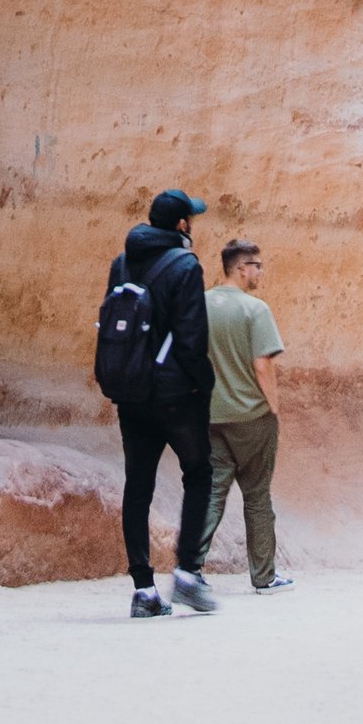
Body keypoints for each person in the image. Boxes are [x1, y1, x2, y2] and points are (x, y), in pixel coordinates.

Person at [98, 188, 221, 616]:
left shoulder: (123, 262)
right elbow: (191, 338)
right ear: (183, 225)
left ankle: (143, 591)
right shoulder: (185, 265)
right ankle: (187, 573)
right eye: (193, 219)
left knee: (138, 484)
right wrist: (205, 385)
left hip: (130, 391)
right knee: (200, 472)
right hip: (173, 395)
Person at [204, 239, 294, 595]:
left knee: (211, 494)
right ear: (241, 268)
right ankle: (264, 576)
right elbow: (263, 364)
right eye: (256, 265)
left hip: (211, 415)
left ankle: (190, 570)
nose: (259, 272)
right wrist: (273, 406)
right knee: (257, 497)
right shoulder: (255, 309)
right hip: (252, 416)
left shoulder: (200, 303)